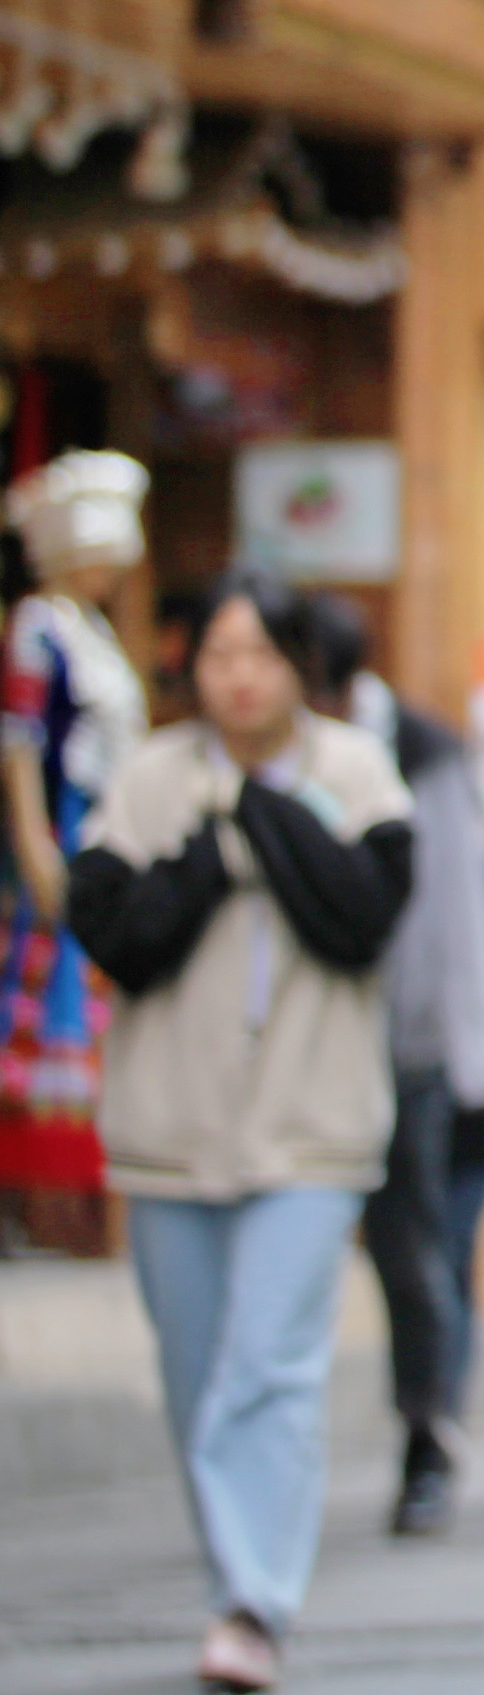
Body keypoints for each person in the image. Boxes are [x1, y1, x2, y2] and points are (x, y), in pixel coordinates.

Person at [68, 571, 412, 1693]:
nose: (240, 675)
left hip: (312, 1129)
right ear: (189, 665)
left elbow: (364, 919)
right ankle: (237, 1566)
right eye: (218, 653)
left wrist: (262, 816)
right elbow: (117, 935)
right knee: (194, 1370)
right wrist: (215, 850)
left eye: (260, 652)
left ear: (298, 664)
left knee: (270, 1363)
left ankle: (253, 1604)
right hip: (171, 1131)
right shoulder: (150, 780)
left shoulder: (353, 770)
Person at [312, 600, 484, 1536]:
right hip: (295, 1051)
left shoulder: (421, 751)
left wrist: (470, 1054)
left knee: (411, 1249)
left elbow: (453, 920)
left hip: (407, 1048)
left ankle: (425, 1431)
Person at [0, 451, 150, 1254]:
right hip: (59, 832)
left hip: (104, 835)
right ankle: (34, 1196)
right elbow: (20, 745)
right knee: (39, 1004)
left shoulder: (92, 633)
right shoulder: (35, 628)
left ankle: (75, 1202)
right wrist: (32, 845)